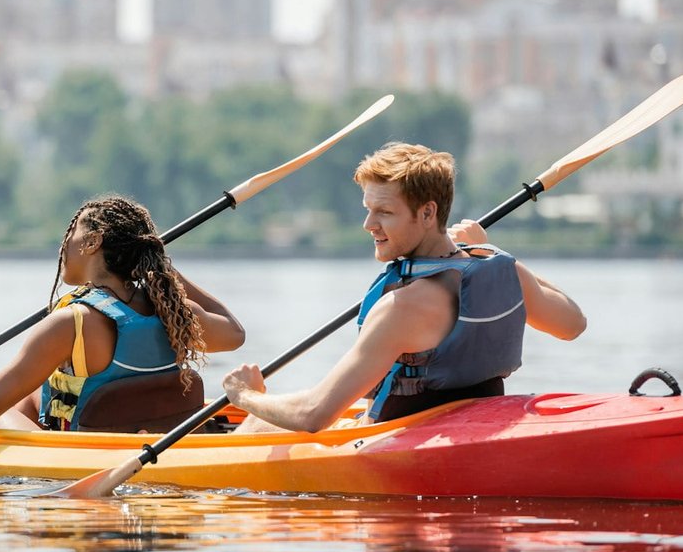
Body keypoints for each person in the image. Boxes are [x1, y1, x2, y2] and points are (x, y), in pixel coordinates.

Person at [219, 142, 586, 434]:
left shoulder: (401, 308)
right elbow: (572, 324)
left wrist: (245, 395)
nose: (368, 224)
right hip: (469, 426)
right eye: (368, 209)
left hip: (394, 441)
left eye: (384, 212)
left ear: (427, 214)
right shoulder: (501, 270)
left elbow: (314, 416)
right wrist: (494, 251)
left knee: (257, 422)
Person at [0, 194, 246, 431]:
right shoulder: (172, 312)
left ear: (93, 242)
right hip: (149, 438)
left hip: (86, 454)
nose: (65, 242)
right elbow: (234, 332)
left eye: (74, 231)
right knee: (32, 397)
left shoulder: (71, 323)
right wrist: (164, 270)